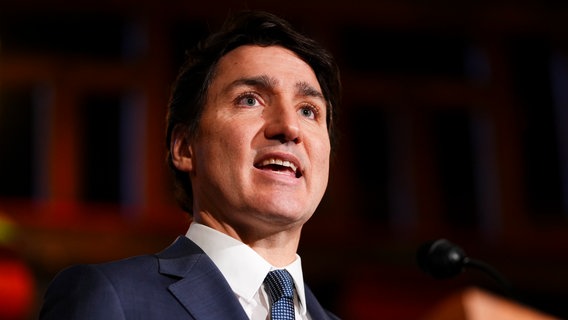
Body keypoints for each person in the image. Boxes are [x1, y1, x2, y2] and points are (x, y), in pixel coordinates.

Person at [40, 9, 342, 320]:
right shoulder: (110, 297)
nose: (289, 127)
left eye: (308, 110)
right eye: (250, 99)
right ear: (184, 147)